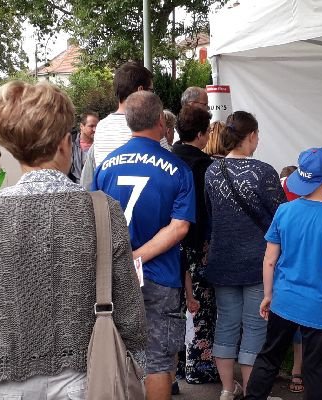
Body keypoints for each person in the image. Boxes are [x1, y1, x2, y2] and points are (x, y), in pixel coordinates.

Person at [0, 81, 147, 397]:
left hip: (6, 383)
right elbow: (129, 311)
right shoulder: (103, 211)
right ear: (65, 143)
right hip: (89, 380)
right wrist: (134, 361)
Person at [92, 91, 194, 400]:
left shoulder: (106, 165)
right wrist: (138, 256)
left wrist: (122, 259)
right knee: (159, 362)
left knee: (118, 356)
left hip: (112, 278)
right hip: (160, 277)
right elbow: (180, 227)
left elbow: (92, 220)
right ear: (161, 122)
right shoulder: (178, 169)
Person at [245, 147, 322, 400]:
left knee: (269, 358)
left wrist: (268, 295)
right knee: (315, 371)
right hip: (319, 308)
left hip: (284, 301)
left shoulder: (284, 211)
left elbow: (269, 260)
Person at [204, 111, 285, 399]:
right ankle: (253, 392)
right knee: (254, 325)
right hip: (257, 261)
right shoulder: (264, 172)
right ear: (251, 135)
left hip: (222, 257)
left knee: (226, 322)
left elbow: (211, 215)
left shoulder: (211, 171)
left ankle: (228, 389)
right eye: (258, 134)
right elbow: (281, 216)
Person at [170, 105, 219, 384]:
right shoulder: (206, 166)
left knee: (174, 305)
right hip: (197, 242)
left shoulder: (167, 159)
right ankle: (199, 367)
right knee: (199, 304)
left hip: (167, 243)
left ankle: (174, 366)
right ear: (202, 133)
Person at [69, 112, 98, 183]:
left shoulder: (101, 145)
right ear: (81, 126)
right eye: (91, 126)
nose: (95, 129)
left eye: (97, 126)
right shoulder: (70, 143)